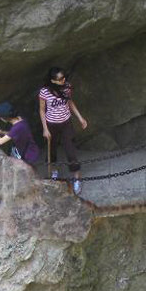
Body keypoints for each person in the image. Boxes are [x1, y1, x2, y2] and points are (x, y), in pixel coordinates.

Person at [38, 67, 88, 196]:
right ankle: (54, 172)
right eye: (60, 79)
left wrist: (80, 117)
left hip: (66, 123)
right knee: (52, 150)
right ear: (53, 81)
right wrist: (45, 128)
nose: (63, 80)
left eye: (64, 77)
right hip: (51, 124)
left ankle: (77, 178)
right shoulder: (44, 92)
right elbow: (42, 110)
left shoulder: (67, 87)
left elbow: (70, 103)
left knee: (70, 150)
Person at [0, 102, 42, 166]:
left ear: (5, 118)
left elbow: (0, 141)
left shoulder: (16, 128)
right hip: (31, 150)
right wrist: (1, 132)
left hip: (28, 155)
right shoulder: (21, 120)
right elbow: (14, 134)